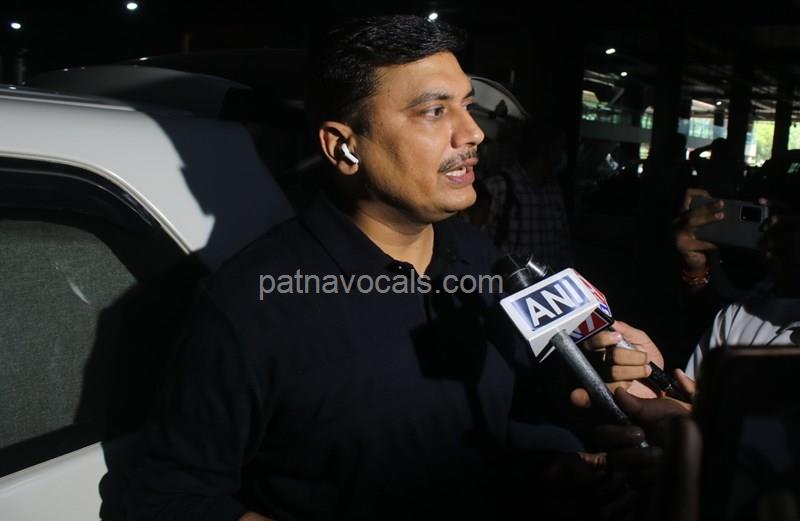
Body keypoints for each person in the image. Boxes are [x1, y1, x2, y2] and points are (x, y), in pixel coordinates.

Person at [126, 15, 653, 521]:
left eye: (467, 106)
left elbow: (503, 417)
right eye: (434, 111)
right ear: (343, 147)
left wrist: (556, 456)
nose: (473, 133)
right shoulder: (251, 304)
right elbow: (165, 499)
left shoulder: (483, 260)